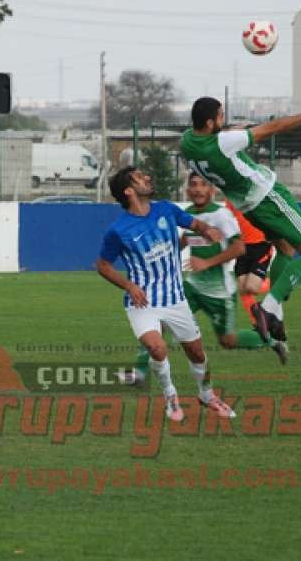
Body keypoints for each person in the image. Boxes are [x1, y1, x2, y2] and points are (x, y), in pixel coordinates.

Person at [180, 97, 301, 363]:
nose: (223, 119)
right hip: (269, 198)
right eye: (220, 116)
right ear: (209, 123)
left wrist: (231, 131)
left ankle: (276, 316)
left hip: (249, 208)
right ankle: (268, 308)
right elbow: (273, 127)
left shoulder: (187, 143)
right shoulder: (222, 142)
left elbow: (221, 139)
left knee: (285, 249)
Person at [96, 166, 236, 421]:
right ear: (129, 191)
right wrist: (129, 285)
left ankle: (207, 395)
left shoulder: (166, 209)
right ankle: (170, 396)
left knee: (196, 353)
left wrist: (207, 231)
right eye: (140, 177)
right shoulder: (118, 230)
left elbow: (193, 223)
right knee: (157, 347)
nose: (148, 177)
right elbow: (103, 266)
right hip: (143, 303)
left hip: (175, 299)